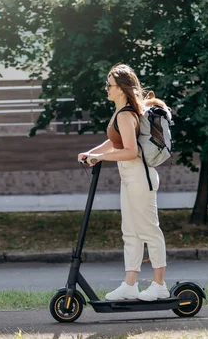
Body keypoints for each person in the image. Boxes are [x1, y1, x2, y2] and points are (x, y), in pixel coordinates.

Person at [77, 63, 169, 301]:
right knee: (130, 232)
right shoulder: (119, 113)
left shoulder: (127, 114)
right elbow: (114, 142)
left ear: (121, 88)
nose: (106, 88)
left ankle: (159, 284)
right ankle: (130, 285)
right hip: (129, 177)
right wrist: (92, 153)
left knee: (149, 230)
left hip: (140, 176)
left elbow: (129, 151)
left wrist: (101, 157)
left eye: (110, 84)